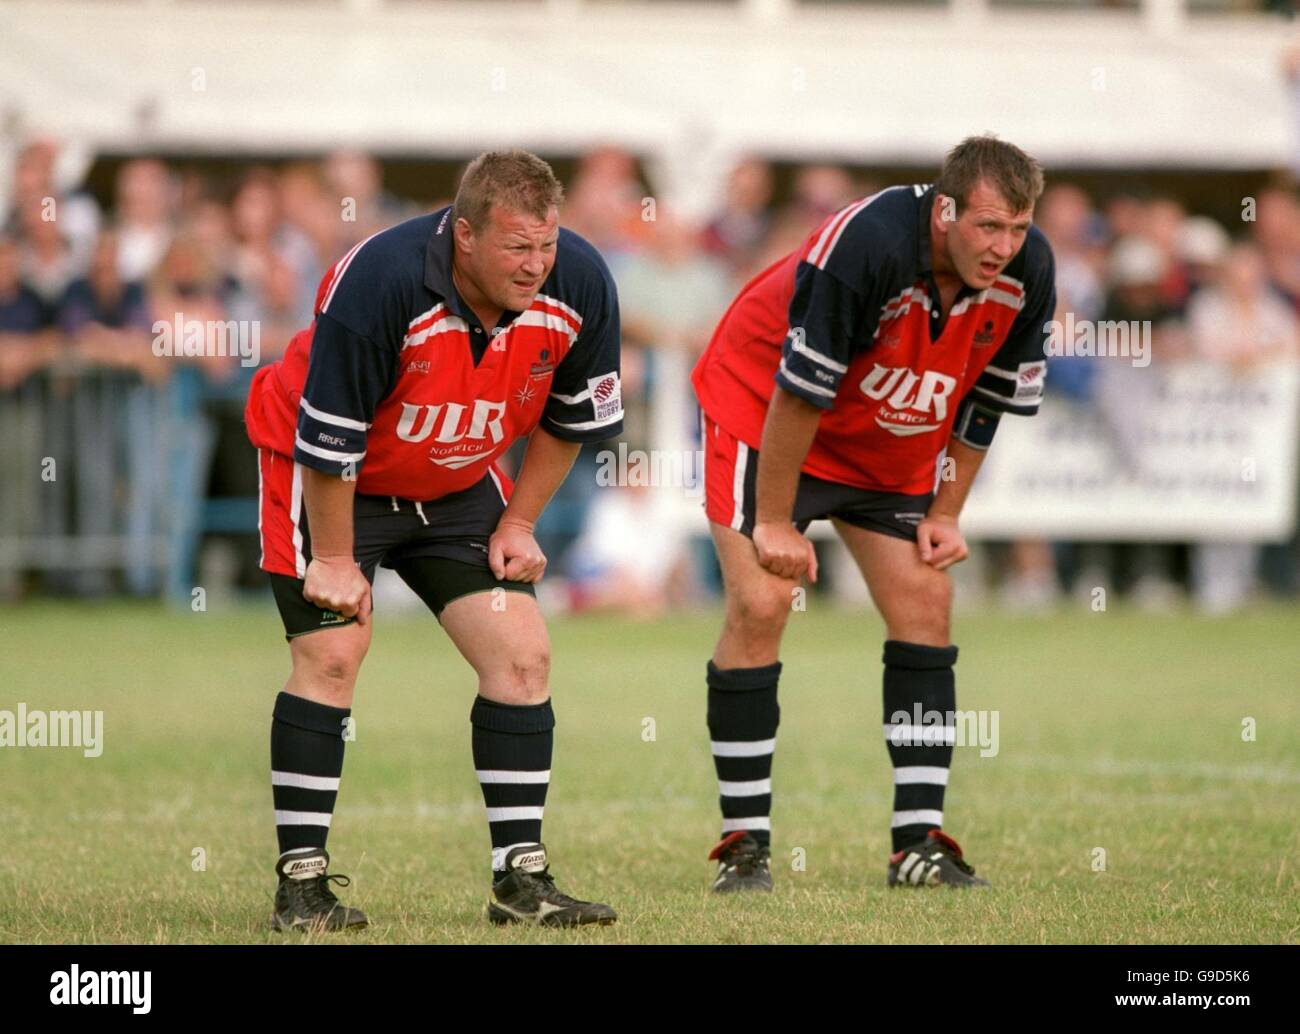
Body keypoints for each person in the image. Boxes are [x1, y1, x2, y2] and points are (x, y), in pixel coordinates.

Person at [244, 150, 623, 930]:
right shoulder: (380, 281)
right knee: (334, 654)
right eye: (518, 248)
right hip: (326, 475)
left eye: (546, 245)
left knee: (522, 655)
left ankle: (520, 883)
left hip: (452, 481)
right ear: (464, 235)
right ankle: (301, 888)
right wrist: (339, 559)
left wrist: (518, 522)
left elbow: (572, 419)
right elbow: (330, 440)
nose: (537, 265)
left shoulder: (580, 280)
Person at [690, 135, 1056, 891]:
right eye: (989, 227)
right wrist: (776, 519)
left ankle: (918, 844)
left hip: (879, 430)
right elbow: (798, 390)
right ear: (946, 208)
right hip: (765, 406)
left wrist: (947, 512)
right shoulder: (868, 242)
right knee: (762, 601)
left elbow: (987, 402)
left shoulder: (1029, 268)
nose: (1005, 247)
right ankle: (746, 843)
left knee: (928, 596)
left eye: (1018, 229)